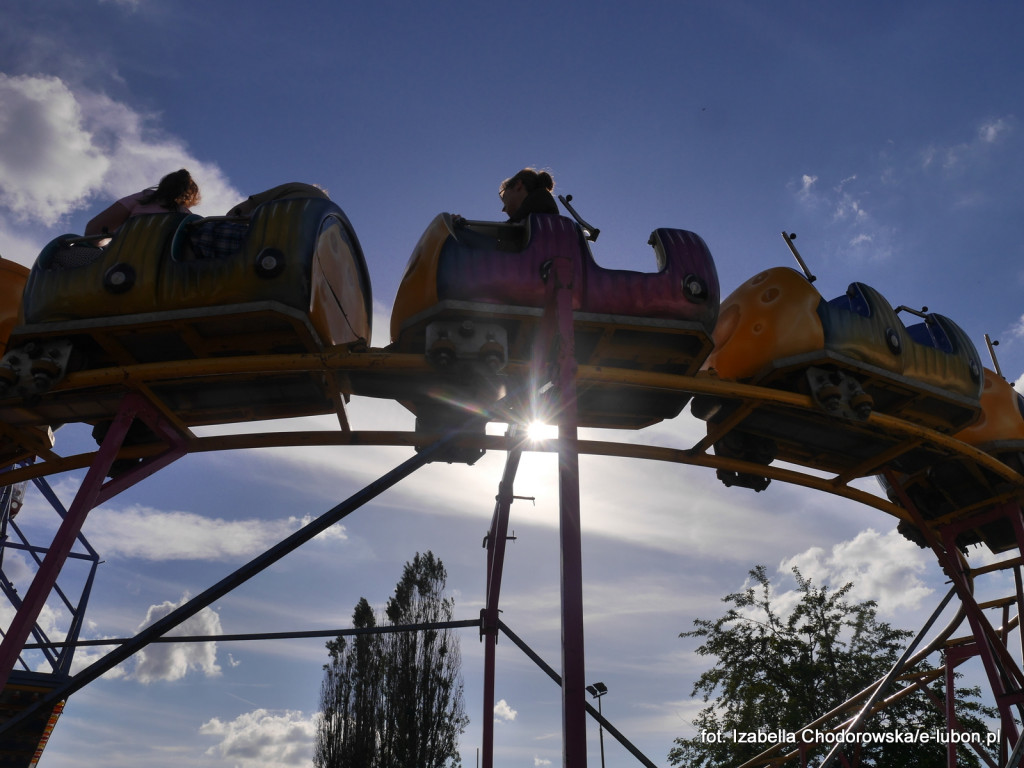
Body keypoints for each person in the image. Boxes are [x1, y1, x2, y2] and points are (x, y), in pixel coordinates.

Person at [85, 169, 200, 238]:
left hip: (124, 261)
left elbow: (93, 231)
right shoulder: (189, 218)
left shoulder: (143, 198)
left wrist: (109, 242)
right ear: (189, 197)